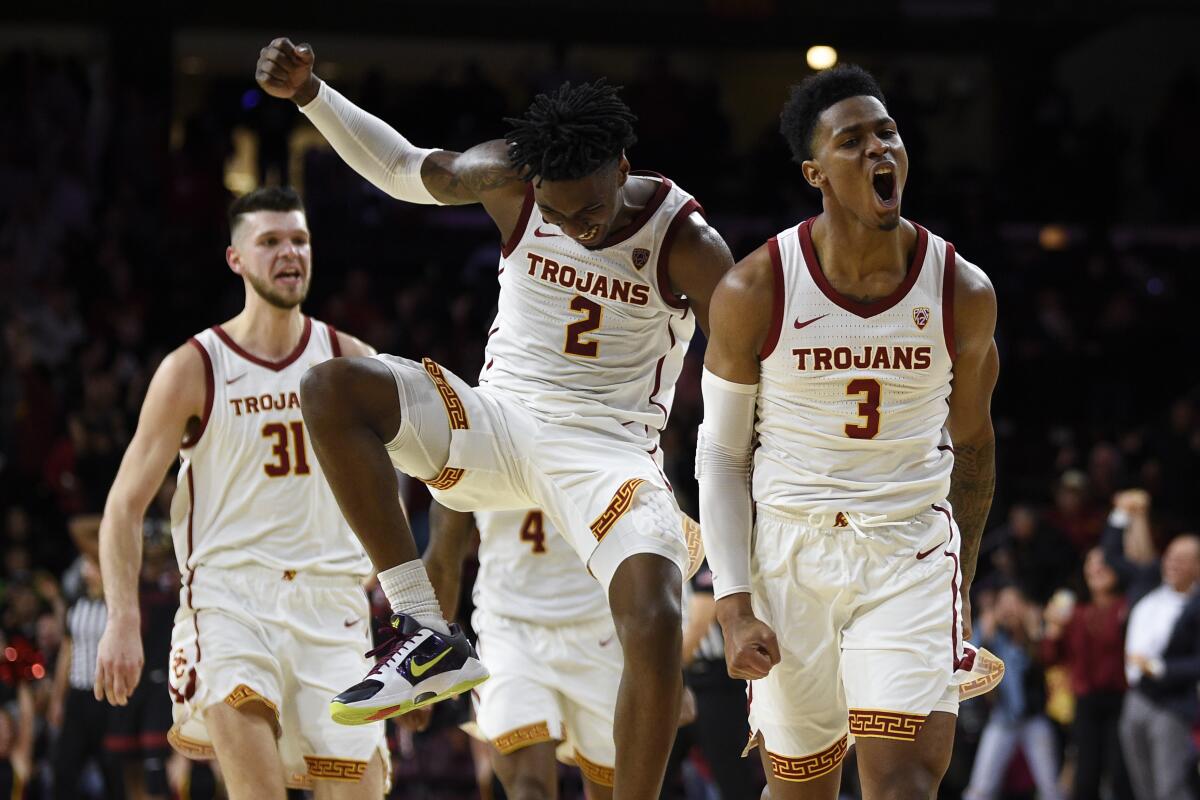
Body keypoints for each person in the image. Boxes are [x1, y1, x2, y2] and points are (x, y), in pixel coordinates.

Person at [255, 38, 732, 799]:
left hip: (607, 446)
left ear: (623, 164)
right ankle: (425, 631)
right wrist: (313, 95)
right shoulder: (509, 178)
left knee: (654, 614)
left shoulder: (688, 242)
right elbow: (405, 169)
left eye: (593, 211)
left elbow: (744, 380)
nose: (577, 228)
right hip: (502, 417)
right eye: (560, 211)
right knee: (331, 390)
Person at [696, 64, 999, 799]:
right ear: (816, 172)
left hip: (908, 547)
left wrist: (956, 585)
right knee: (803, 790)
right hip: (789, 550)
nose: (878, 151)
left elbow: (977, 449)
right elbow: (722, 454)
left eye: (887, 133)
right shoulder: (755, 288)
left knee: (900, 785)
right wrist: (732, 606)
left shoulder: (961, 291)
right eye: (853, 140)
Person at [92, 187, 388, 799]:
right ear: (236, 259)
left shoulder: (351, 360)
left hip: (332, 606)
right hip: (231, 605)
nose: (289, 253)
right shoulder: (194, 367)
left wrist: (406, 608)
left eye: (300, 240)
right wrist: (122, 618)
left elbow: (393, 493)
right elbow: (123, 505)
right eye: (271, 241)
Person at [424, 503, 622, 799]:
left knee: (615, 791)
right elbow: (442, 557)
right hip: (510, 629)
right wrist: (425, 663)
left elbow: (654, 532)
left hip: (601, 627)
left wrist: (667, 663)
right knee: (529, 789)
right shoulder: (472, 455)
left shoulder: (615, 454)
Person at [1041, 547, 1132, 800]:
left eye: (1104, 562)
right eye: (1090, 563)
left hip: (1122, 701)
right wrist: (1052, 629)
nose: (1096, 568)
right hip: (1086, 702)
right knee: (1085, 774)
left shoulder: (1128, 606)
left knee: (1120, 773)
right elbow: (1050, 658)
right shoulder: (1075, 612)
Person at [962, 585, 1063, 800]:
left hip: (1034, 719)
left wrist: (1035, 634)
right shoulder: (991, 634)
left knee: (1050, 787)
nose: (1010, 610)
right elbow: (970, 667)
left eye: (1015, 603)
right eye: (1004, 605)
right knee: (980, 788)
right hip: (1002, 718)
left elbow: (1048, 665)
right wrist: (985, 637)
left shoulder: (1035, 633)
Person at [1119, 533, 1200, 800]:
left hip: (1171, 705)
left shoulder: (1196, 605)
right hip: (1136, 698)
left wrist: (1160, 668)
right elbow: (1115, 555)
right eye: (1171, 557)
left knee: (1170, 789)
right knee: (1143, 787)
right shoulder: (1149, 584)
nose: (1173, 564)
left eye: (1182, 560)